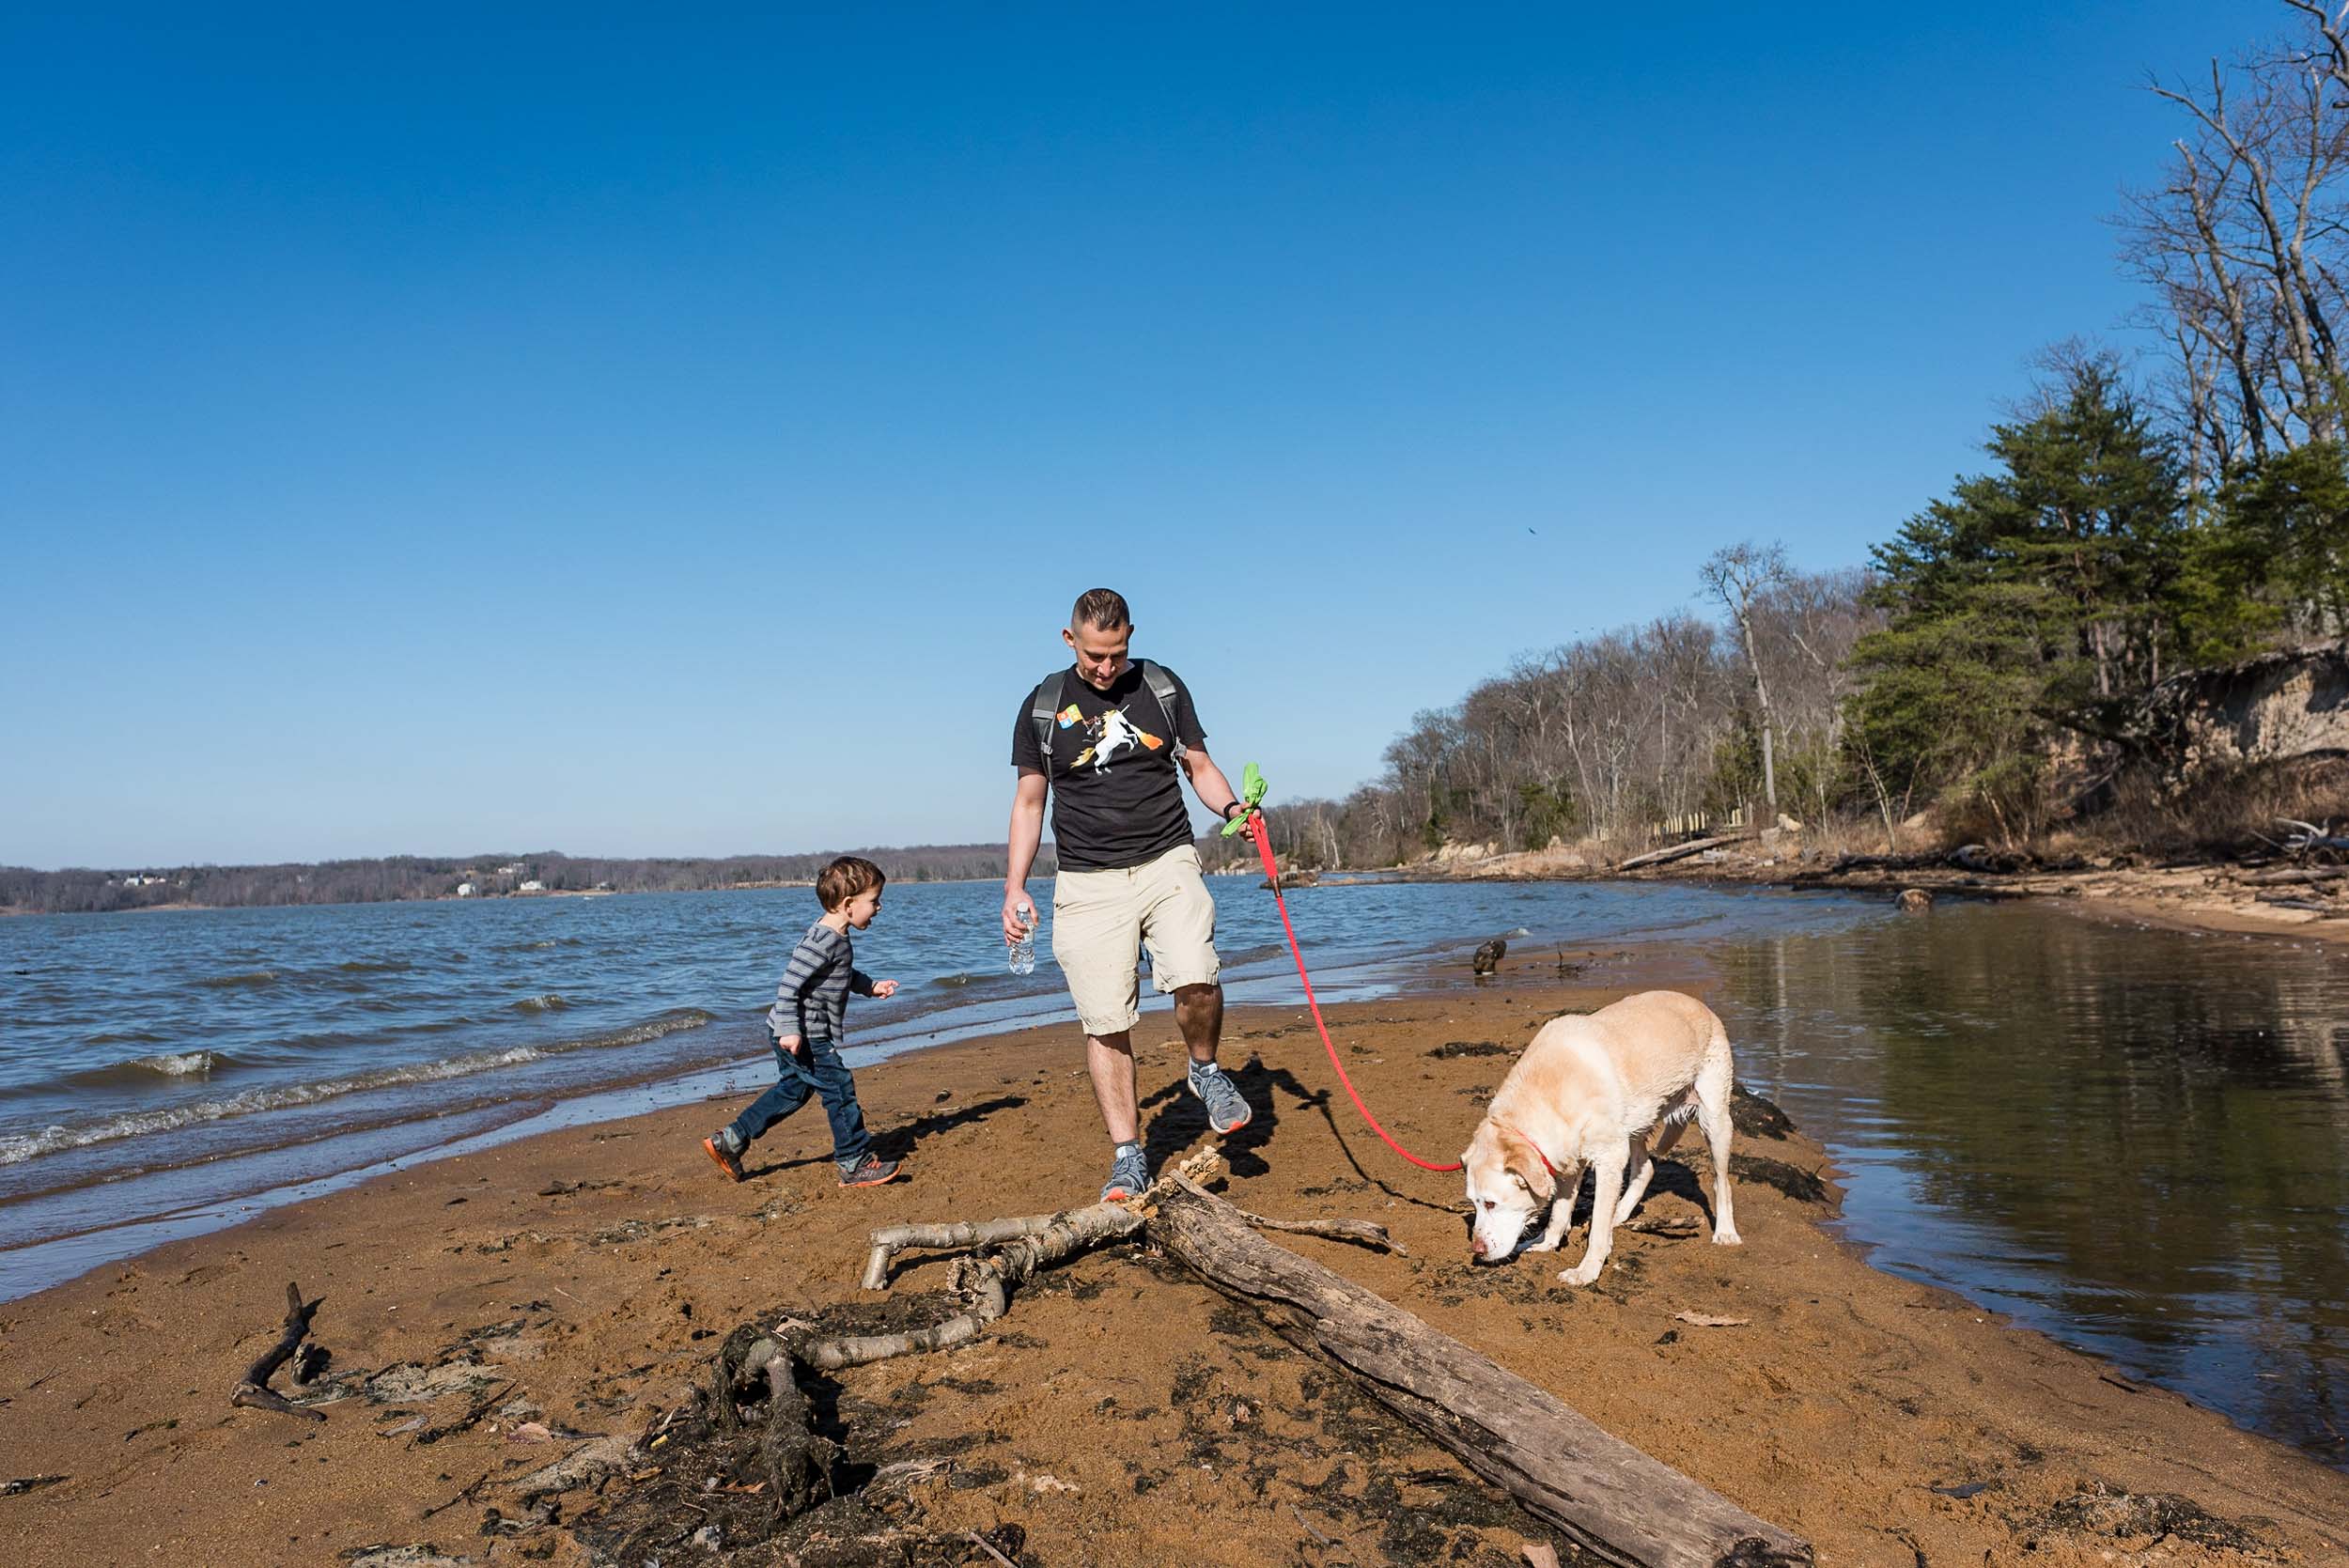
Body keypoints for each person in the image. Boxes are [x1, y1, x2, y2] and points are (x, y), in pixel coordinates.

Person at [1004, 587, 1256, 1203]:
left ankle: (1204, 1068)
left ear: (1130, 637)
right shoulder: (1042, 707)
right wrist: (1014, 886)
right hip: (1087, 879)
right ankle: (1128, 1154)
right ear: (1071, 641)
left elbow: (1198, 764)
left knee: (1197, 974)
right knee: (1106, 1020)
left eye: (1116, 653)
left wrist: (1231, 808)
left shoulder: (1162, 688)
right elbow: (1030, 801)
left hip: (1167, 857)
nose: (1105, 668)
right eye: (1094, 655)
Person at [703, 855, 904, 1188]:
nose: (879, 908)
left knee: (793, 1091)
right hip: (803, 1034)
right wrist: (789, 1030)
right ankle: (853, 1161)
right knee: (838, 1088)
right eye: (874, 901)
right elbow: (789, 985)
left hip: (800, 1031)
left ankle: (731, 1140)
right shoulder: (822, 939)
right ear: (849, 904)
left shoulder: (836, 938)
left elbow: (840, 975)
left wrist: (869, 986)